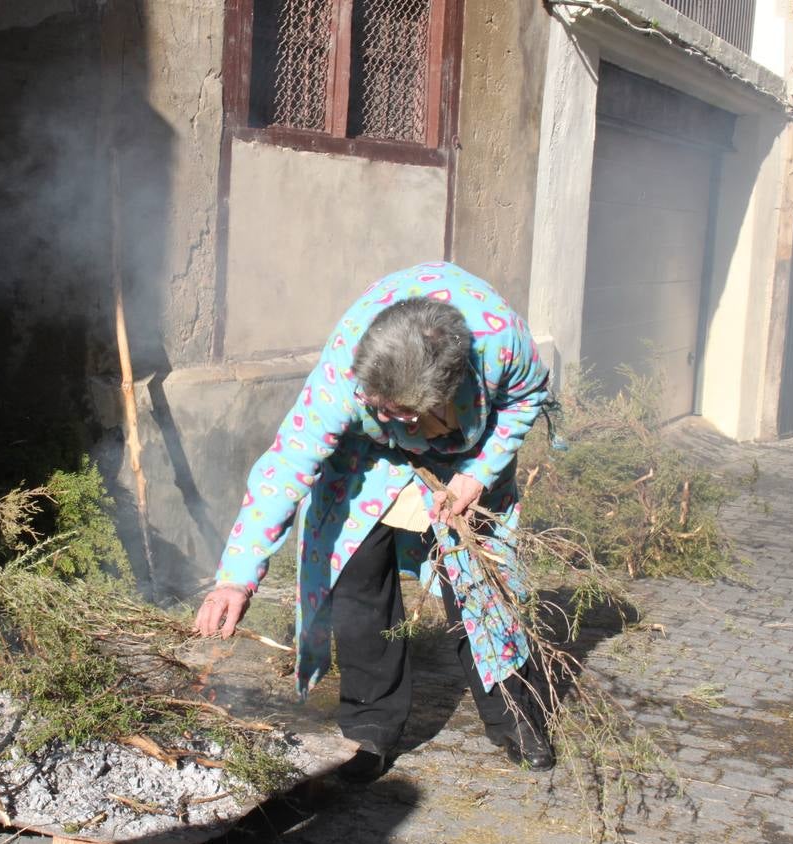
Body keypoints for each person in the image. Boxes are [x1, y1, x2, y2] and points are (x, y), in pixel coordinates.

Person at [194, 261, 555, 780]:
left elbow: (525, 401)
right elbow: (287, 464)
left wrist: (478, 474)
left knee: (481, 583)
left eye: (400, 413)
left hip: (464, 459)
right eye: (377, 405)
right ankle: (370, 730)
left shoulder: (503, 344)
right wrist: (236, 578)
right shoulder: (345, 376)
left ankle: (516, 717)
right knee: (357, 577)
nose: (388, 417)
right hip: (365, 459)